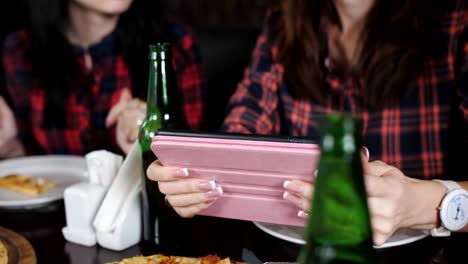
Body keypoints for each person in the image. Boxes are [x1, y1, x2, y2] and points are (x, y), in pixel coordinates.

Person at [147, 0, 468, 246]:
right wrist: (198, 175)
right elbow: (243, 124)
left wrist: (429, 204)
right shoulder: (283, 25)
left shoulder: (457, 22)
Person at [0, 0, 206, 158]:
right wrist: (10, 147)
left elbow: (191, 164)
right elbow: (34, 169)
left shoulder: (174, 47)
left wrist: (152, 138)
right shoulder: (19, 51)